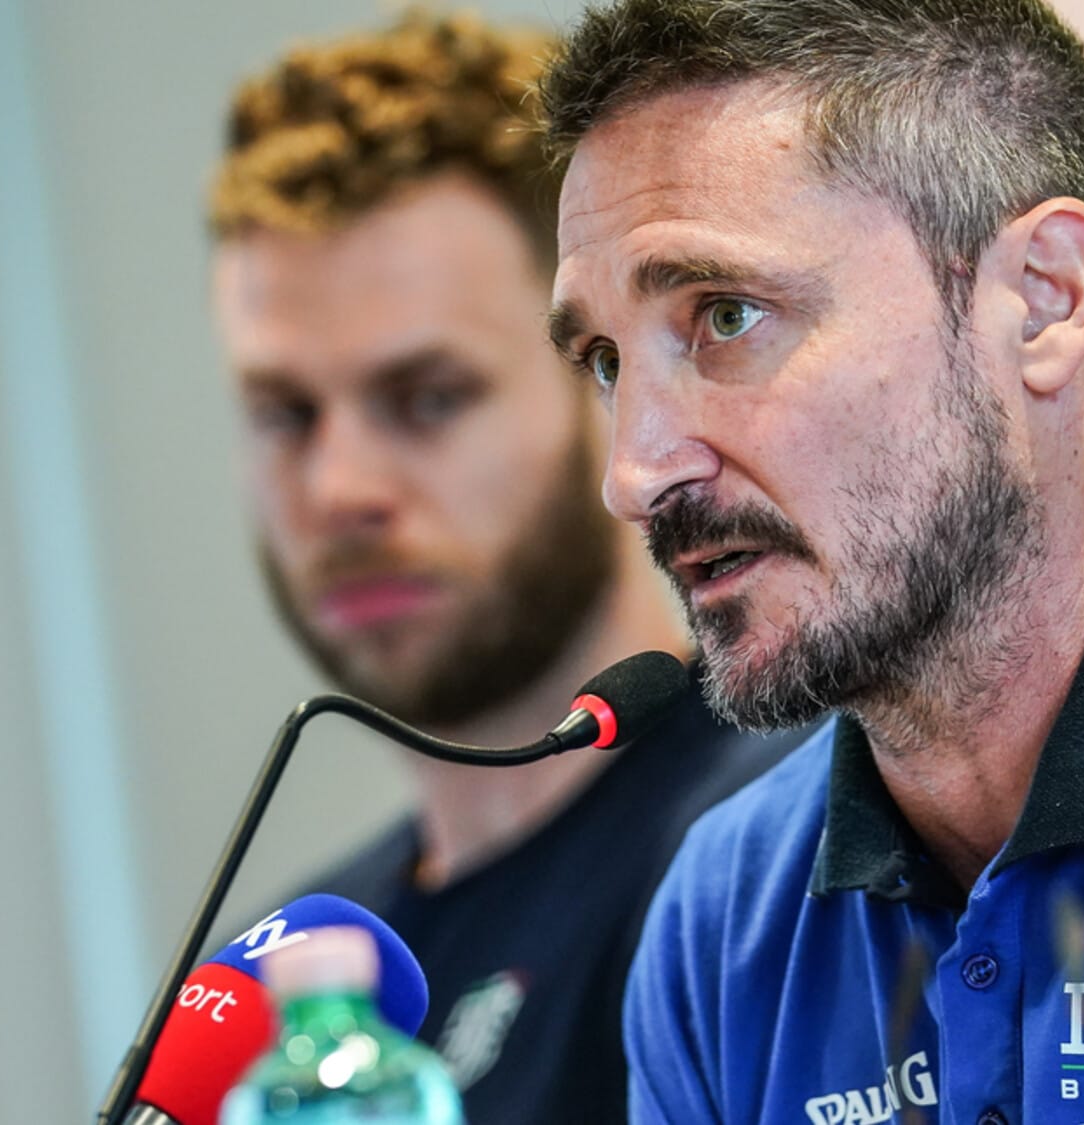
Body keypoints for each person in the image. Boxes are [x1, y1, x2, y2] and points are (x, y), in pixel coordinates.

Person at [534, 1, 1084, 1122]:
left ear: (1045, 298)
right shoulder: (721, 926)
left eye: (725, 316)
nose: (634, 475)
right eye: (605, 361)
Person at [205, 13, 810, 1125]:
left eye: (428, 398)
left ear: (601, 382)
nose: (340, 488)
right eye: (285, 414)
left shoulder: (789, 845)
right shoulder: (285, 987)